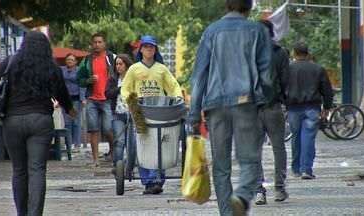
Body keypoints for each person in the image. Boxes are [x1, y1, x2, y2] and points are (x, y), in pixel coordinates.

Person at [188, 0, 272, 215]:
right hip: (246, 102)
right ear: (249, 7)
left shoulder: (211, 31)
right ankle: (242, 196)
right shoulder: (257, 30)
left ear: (226, 6)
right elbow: (266, 74)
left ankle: (227, 212)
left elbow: (199, 76)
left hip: (215, 105)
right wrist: (266, 100)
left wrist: (194, 114)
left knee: (221, 165)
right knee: (250, 159)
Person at [0, 31, 75, 216]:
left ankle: (22, 213)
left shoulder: (10, 63)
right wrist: (70, 110)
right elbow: (62, 93)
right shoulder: (50, 67)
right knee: (37, 169)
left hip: (12, 121)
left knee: (19, 170)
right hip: (41, 121)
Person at [121, 35, 183, 195]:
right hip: (140, 111)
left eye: (152, 47)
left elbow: (173, 86)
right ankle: (149, 181)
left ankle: (158, 179)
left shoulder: (161, 69)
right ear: (141, 49)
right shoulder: (134, 69)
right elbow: (126, 88)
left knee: (160, 144)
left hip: (159, 110)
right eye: (146, 47)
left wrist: (177, 98)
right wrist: (129, 100)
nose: (149, 49)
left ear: (155, 50)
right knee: (144, 144)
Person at [283, 42, 334, 180]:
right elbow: (327, 90)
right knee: (308, 137)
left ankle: (296, 169)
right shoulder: (318, 69)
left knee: (295, 136)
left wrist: (284, 104)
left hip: (293, 108)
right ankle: (306, 169)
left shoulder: (288, 69)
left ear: (294, 53)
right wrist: (327, 107)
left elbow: (281, 88)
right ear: (308, 53)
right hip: (312, 107)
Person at [254, 20, 289, 205]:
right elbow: (285, 80)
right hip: (274, 107)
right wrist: (284, 102)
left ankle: (259, 191)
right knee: (279, 148)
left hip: (252, 109)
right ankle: (279, 189)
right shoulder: (281, 53)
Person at [77, 32, 117, 167]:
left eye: (100, 42)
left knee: (108, 128)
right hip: (92, 99)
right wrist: (88, 80)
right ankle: (95, 159)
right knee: (93, 129)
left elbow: (121, 74)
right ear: (92, 44)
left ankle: (112, 151)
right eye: (95, 42)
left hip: (108, 99)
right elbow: (79, 79)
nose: (97, 45)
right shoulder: (87, 60)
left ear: (105, 43)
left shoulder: (112, 58)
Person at [110, 54, 135, 171]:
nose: (118, 67)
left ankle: (131, 165)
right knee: (119, 141)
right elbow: (107, 93)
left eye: (121, 64)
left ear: (126, 65)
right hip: (118, 114)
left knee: (132, 141)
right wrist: (120, 89)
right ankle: (117, 166)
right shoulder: (113, 79)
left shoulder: (134, 78)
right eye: (116, 64)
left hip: (133, 114)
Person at [61, 53, 86, 153]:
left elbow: (82, 84)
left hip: (76, 99)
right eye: (68, 59)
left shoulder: (80, 70)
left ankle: (77, 144)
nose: (69, 61)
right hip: (65, 99)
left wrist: (83, 98)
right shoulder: (62, 70)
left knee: (76, 122)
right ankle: (68, 144)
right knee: (67, 123)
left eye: (71, 60)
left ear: (75, 61)